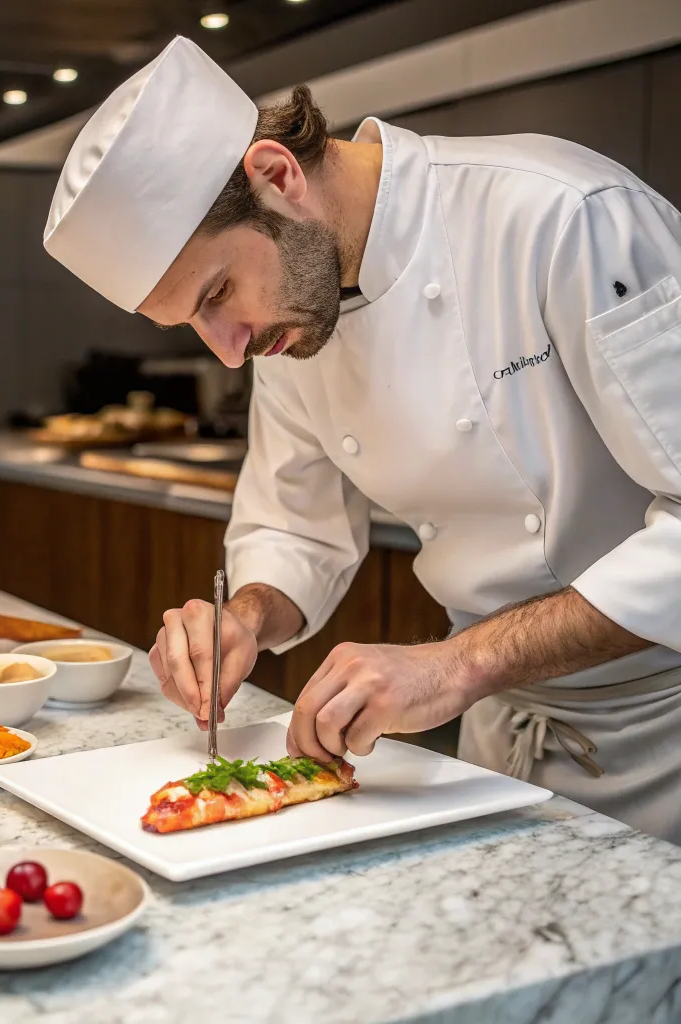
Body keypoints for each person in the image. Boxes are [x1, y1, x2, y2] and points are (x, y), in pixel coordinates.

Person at [43, 37, 681, 842]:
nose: (229, 352)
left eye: (217, 294)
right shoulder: (290, 311)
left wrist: (461, 662)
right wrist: (246, 617)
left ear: (276, 175)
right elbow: (295, 529)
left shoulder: (561, 216)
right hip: (502, 737)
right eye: (192, 324)